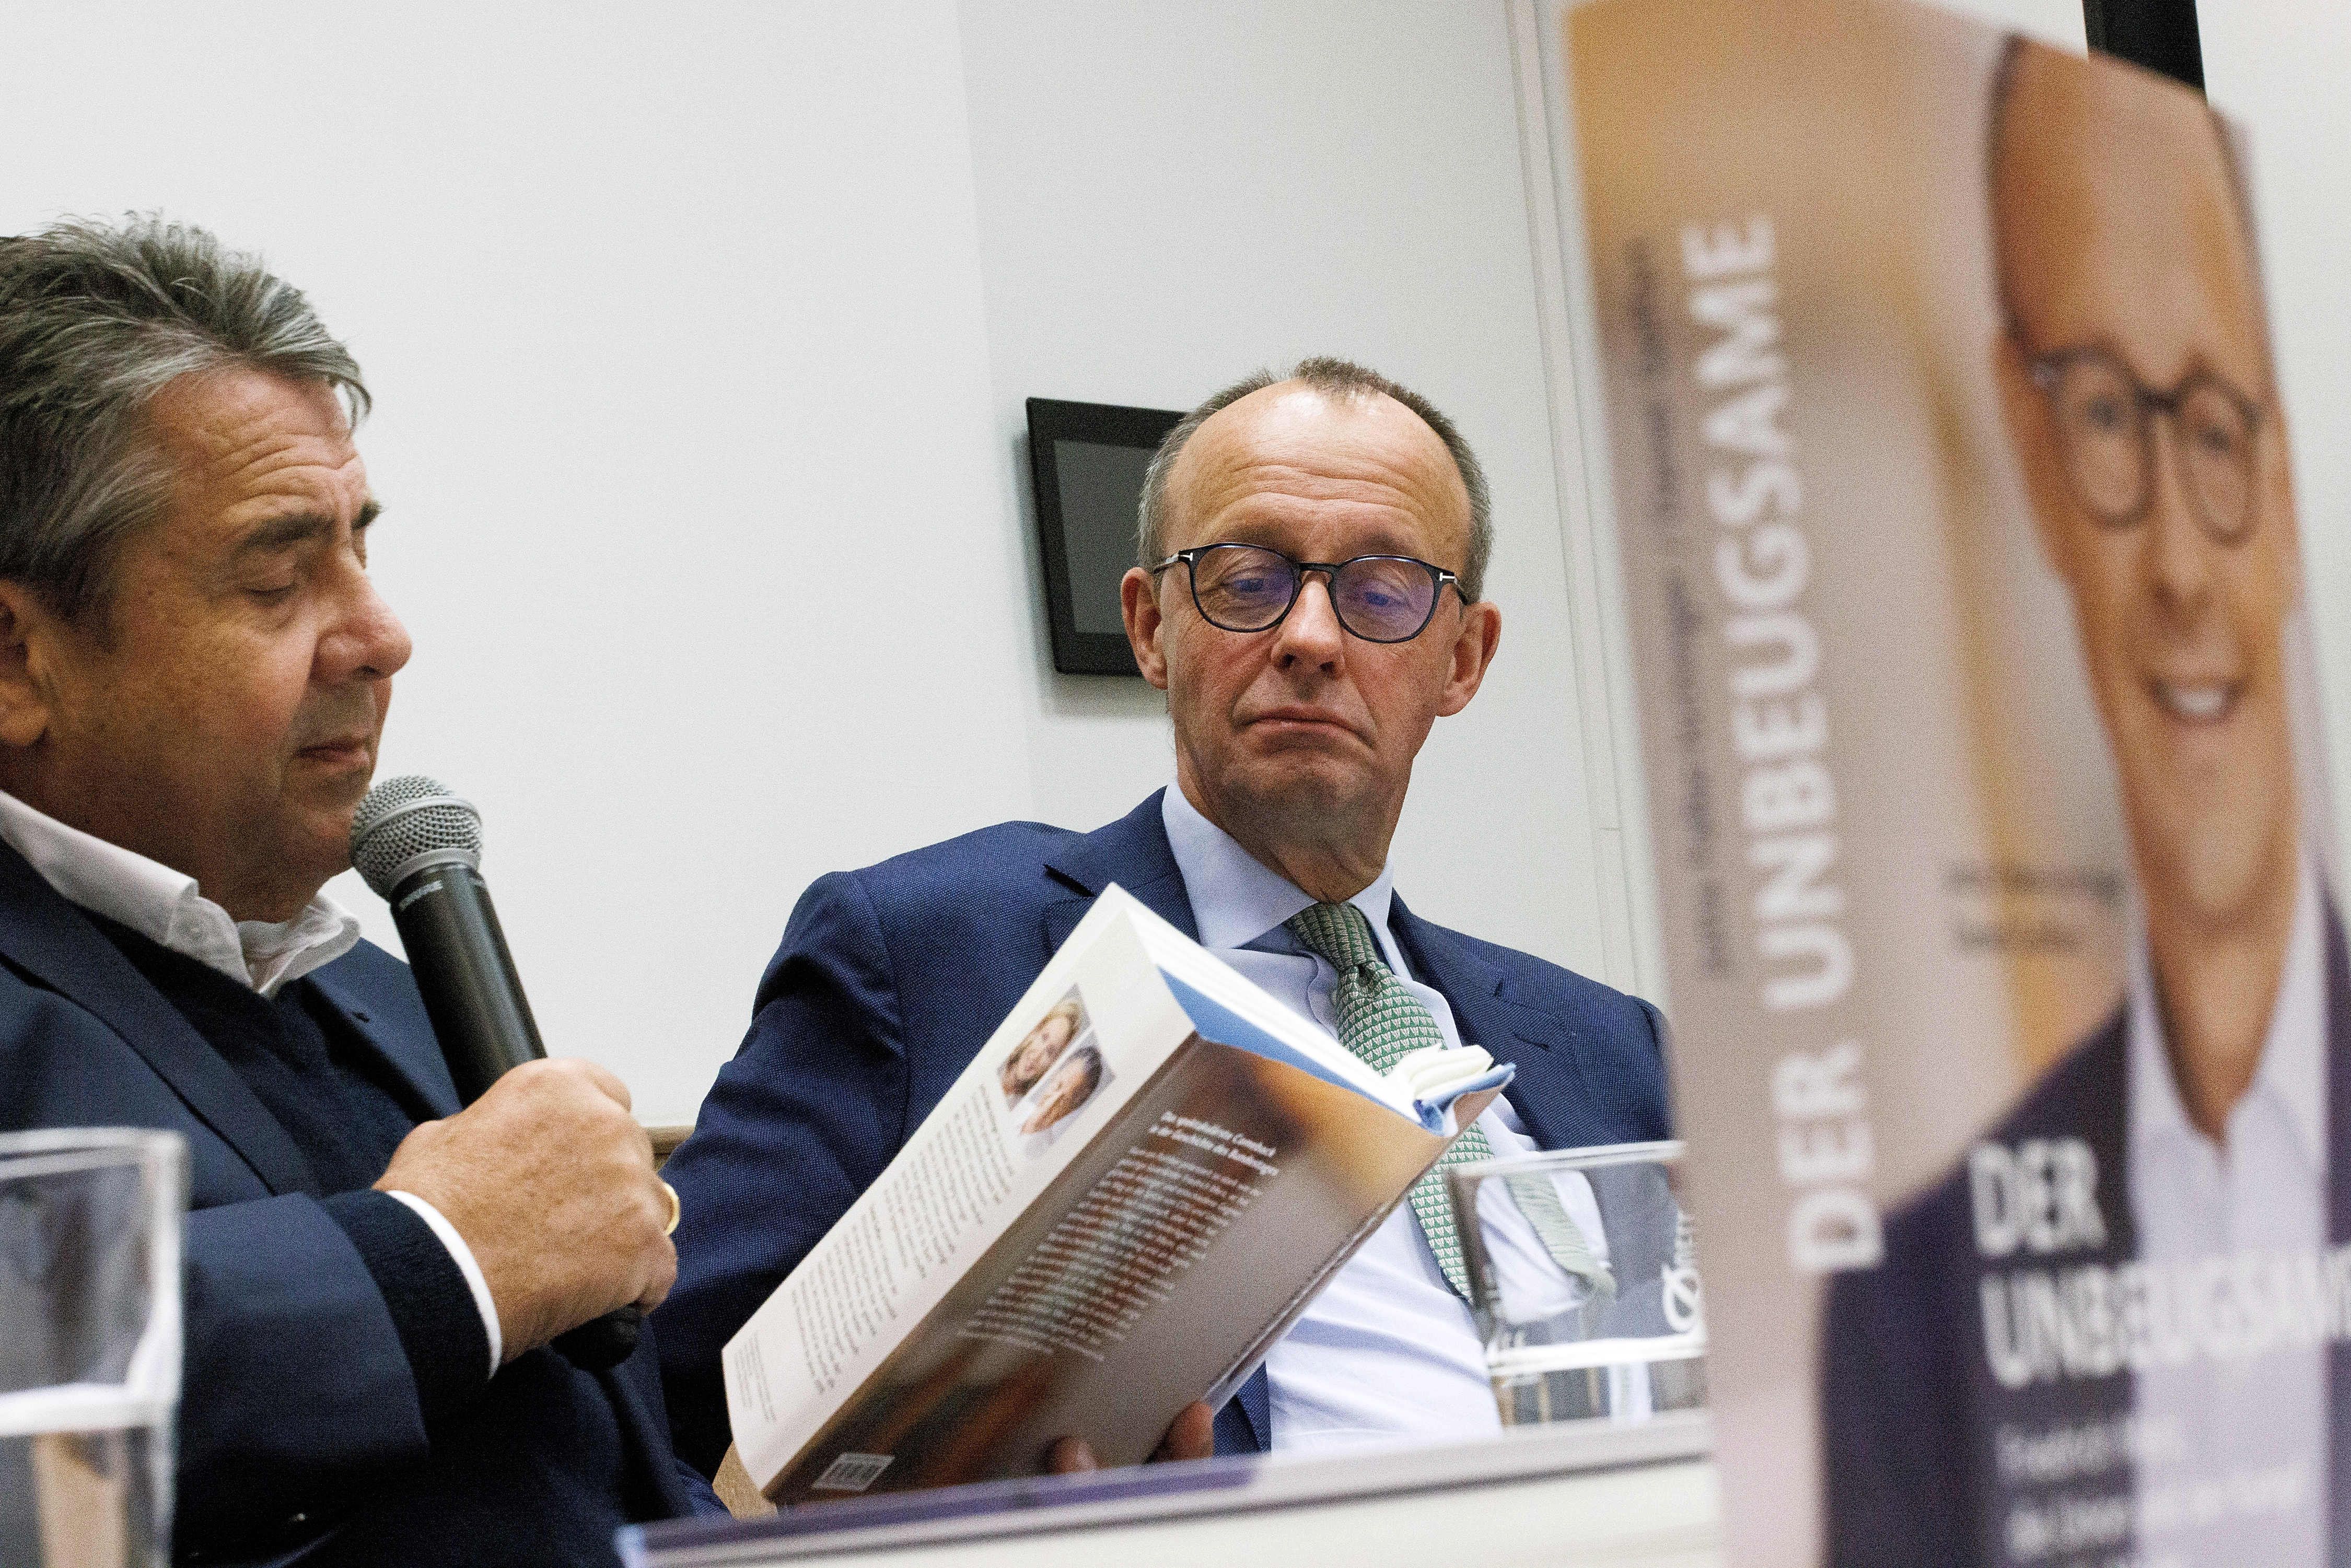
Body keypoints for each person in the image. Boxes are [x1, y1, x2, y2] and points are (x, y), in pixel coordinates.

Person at [659, 357, 1672, 1477]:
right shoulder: (925, 949)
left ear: (1462, 660)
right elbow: (651, 1400)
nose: (1312, 638)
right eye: (1248, 580)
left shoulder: (1611, 1044)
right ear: (1150, 628)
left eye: (1382, 591)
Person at [0, 217, 717, 1564]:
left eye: (359, 547)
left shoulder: (391, 988)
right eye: (278, 574)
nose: (382, 634)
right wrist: (435, 1260)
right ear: (16, 658)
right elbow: (30, 1444)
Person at [1822, 40, 2346, 1567]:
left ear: (2292, 477)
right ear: (2035, 453)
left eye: (2216, 425)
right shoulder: (1912, 1308)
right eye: (2112, 418)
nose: (2182, 565)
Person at [1000, 997, 1081, 1103]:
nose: (1038, 1055)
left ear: (1053, 1064)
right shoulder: (1001, 1053)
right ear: (1035, 1031)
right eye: (1044, 1038)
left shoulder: (1021, 1106)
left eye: (1050, 1051)